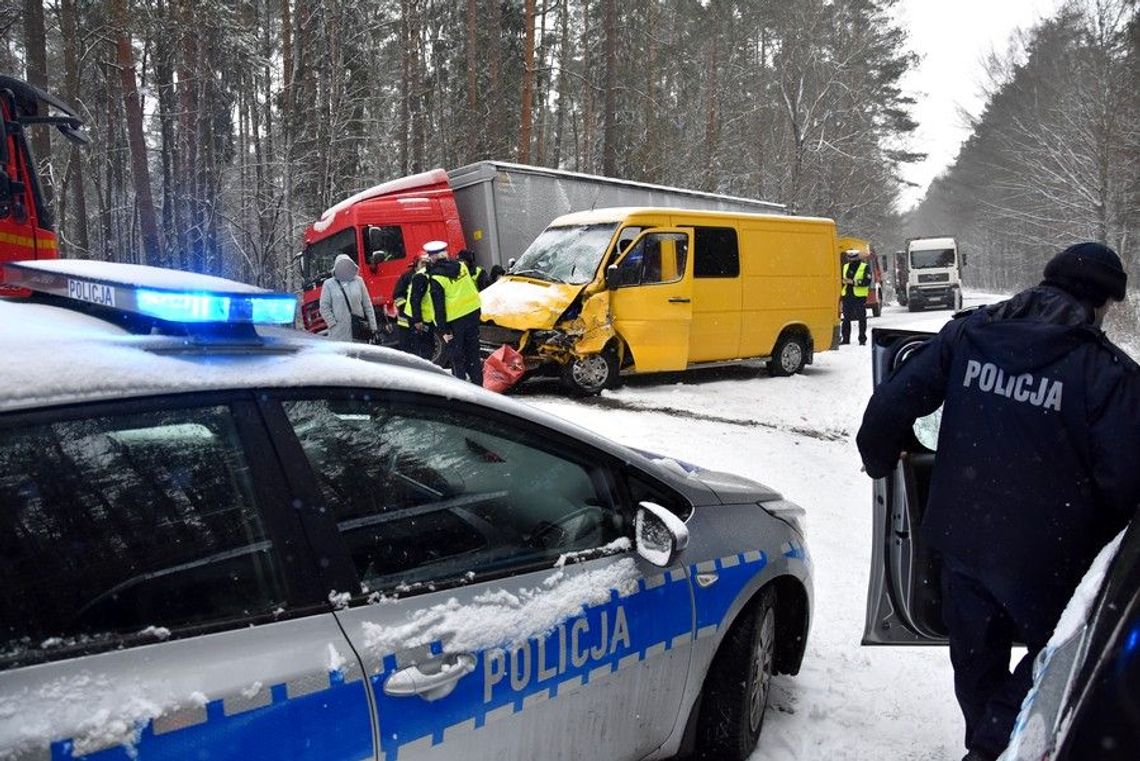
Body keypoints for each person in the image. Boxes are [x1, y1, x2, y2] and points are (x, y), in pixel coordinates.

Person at [856, 242, 1140, 761]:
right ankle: (993, 749)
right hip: (1052, 560)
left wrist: (879, 460)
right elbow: (1124, 482)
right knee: (1051, 662)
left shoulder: (971, 332)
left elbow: (892, 404)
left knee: (977, 667)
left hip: (961, 544)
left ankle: (987, 742)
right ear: (1102, 303)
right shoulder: (1108, 374)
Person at [428, 243, 484, 385]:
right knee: (473, 354)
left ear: (433, 257)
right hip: (472, 314)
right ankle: (479, 386)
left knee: (456, 356)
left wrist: (443, 330)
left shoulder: (436, 278)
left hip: (454, 321)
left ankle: (462, 388)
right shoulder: (462, 266)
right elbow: (471, 289)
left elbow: (438, 307)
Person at [318, 253, 377, 343]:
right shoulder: (329, 284)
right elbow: (324, 306)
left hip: (358, 330)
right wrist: (332, 323)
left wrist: (373, 326)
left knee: (358, 355)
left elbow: (367, 305)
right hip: (338, 333)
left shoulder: (359, 281)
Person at [406, 250, 437, 361]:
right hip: (420, 318)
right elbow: (415, 299)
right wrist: (418, 320)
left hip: (426, 317)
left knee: (428, 347)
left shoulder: (427, 274)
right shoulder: (422, 276)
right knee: (424, 349)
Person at [840, 248, 872, 345]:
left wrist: (853, 282)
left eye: (852, 258)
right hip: (847, 295)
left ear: (857, 257)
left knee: (861, 318)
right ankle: (846, 339)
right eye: (849, 258)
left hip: (859, 297)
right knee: (846, 319)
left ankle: (862, 339)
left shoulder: (864, 267)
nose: (851, 260)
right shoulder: (845, 267)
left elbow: (867, 281)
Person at [392, 259, 418, 353]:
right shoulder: (407, 277)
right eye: (423, 263)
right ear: (416, 265)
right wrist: (406, 308)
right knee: (406, 344)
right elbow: (397, 295)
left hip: (421, 316)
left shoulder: (428, 274)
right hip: (405, 319)